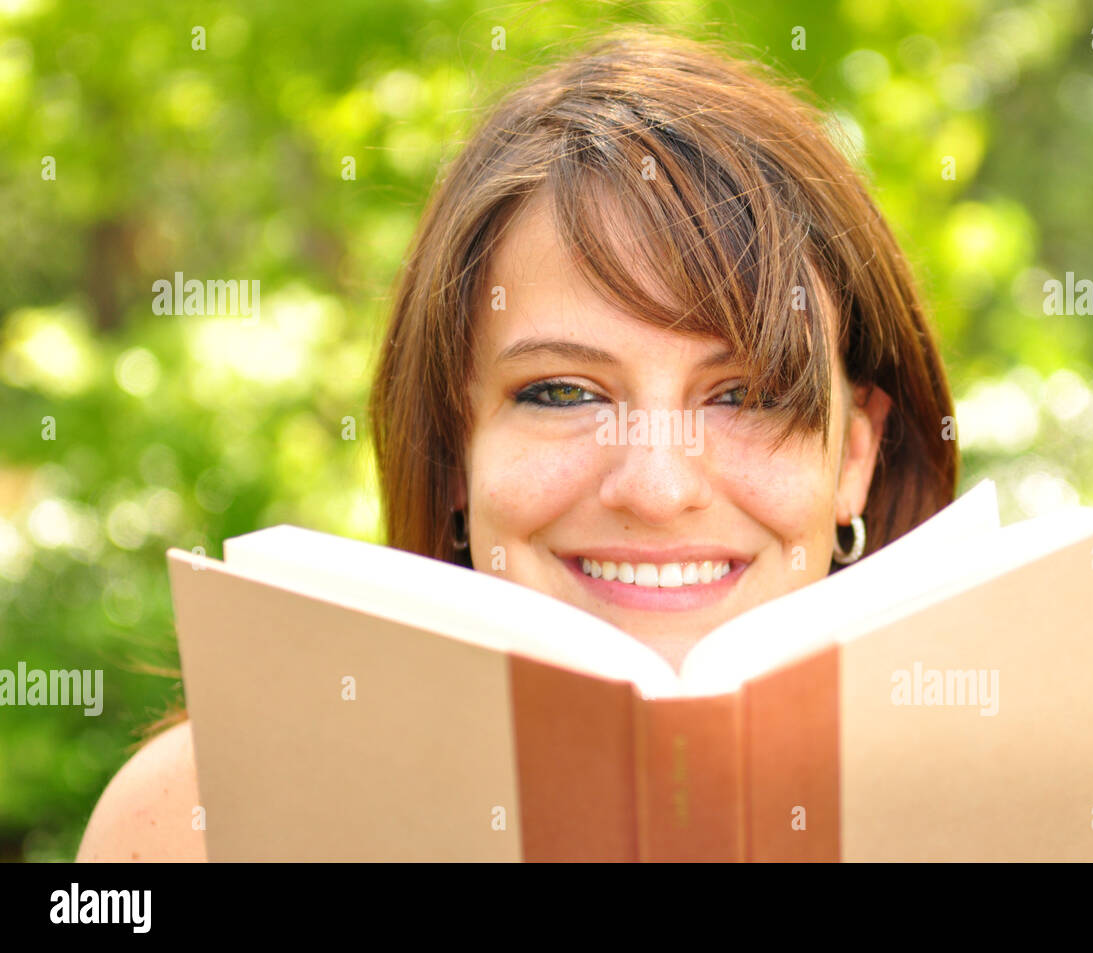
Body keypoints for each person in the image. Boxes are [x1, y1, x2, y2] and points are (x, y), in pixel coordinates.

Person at [76, 26, 956, 862]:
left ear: (854, 458)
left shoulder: (1033, 793)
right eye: (561, 392)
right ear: (454, 453)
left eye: (750, 395)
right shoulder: (192, 817)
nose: (655, 486)